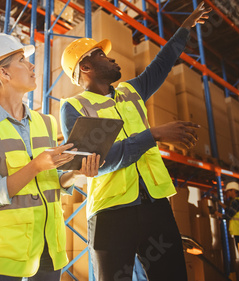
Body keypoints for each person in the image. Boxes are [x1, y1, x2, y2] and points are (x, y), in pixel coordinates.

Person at [59, 2, 212, 280]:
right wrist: (153, 134)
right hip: (111, 211)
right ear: (86, 66)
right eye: (102, 56)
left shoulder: (132, 90)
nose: (112, 59)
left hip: (155, 204)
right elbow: (97, 162)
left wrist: (184, 28)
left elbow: (162, 64)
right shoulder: (73, 107)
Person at [0, 33, 100, 281]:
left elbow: (51, 180)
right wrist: (35, 166)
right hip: (4, 256)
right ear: (4, 73)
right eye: (22, 60)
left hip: (49, 250)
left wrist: (74, 173)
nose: (32, 65)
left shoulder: (46, 123)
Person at [214, 181, 239, 249]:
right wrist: (219, 203)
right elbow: (230, 210)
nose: (227, 193)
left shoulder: (235, 202)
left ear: (233, 190)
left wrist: (216, 213)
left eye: (228, 191)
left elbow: (228, 216)